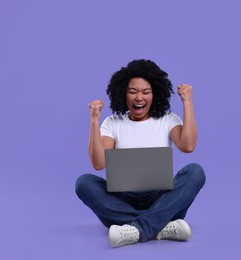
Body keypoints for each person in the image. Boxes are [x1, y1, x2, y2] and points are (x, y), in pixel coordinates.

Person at [75, 59, 205, 248]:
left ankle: (134, 229)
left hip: (160, 198)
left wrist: (187, 102)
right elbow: (98, 163)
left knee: (195, 171)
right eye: (133, 91)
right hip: (122, 200)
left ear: (155, 94)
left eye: (146, 92)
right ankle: (160, 226)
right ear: (123, 94)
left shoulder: (167, 119)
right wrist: (94, 121)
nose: (139, 98)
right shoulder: (113, 122)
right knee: (84, 183)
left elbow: (188, 146)